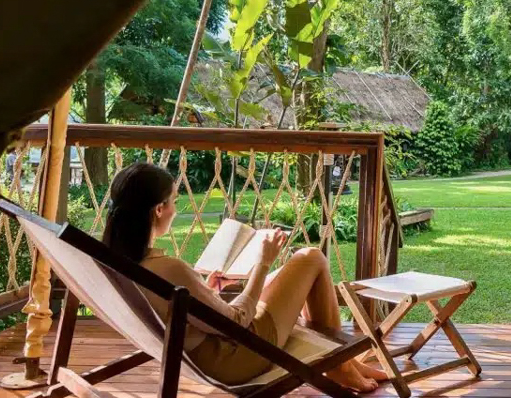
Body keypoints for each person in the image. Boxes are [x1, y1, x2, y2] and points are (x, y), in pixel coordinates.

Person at [101, 162, 387, 391]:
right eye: (174, 201)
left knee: (291, 275)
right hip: (234, 357)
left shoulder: (118, 263)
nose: (176, 209)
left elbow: (182, 313)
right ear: (159, 209)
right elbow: (236, 322)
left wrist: (207, 293)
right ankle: (339, 364)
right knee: (310, 258)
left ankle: (344, 362)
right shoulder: (169, 269)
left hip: (202, 352)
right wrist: (263, 263)